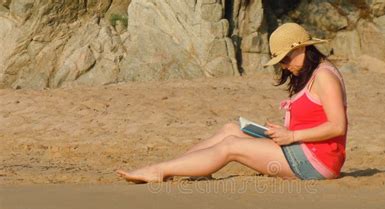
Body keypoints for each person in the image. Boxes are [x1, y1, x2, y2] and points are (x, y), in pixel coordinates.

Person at [117, 22, 348, 183]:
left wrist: (292, 136)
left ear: (302, 48)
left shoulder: (324, 76)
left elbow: (338, 126)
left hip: (316, 163)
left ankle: (159, 171)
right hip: (299, 149)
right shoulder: (307, 74)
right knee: (232, 129)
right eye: (280, 62)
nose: (284, 66)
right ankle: (174, 167)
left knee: (231, 146)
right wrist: (283, 133)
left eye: (286, 59)